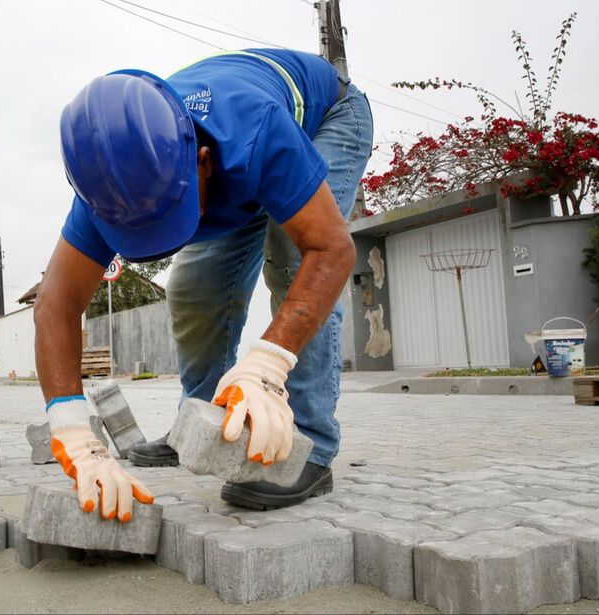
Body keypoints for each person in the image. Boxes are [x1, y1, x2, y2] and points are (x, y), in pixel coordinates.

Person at [33, 48, 373, 522]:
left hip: (326, 120)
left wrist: (267, 365)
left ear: (203, 162)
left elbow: (332, 251)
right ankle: (204, 427)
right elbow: (56, 303)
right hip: (238, 170)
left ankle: (310, 450)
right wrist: (72, 430)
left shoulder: (255, 132)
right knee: (192, 290)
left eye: (169, 218)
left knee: (294, 260)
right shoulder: (112, 182)